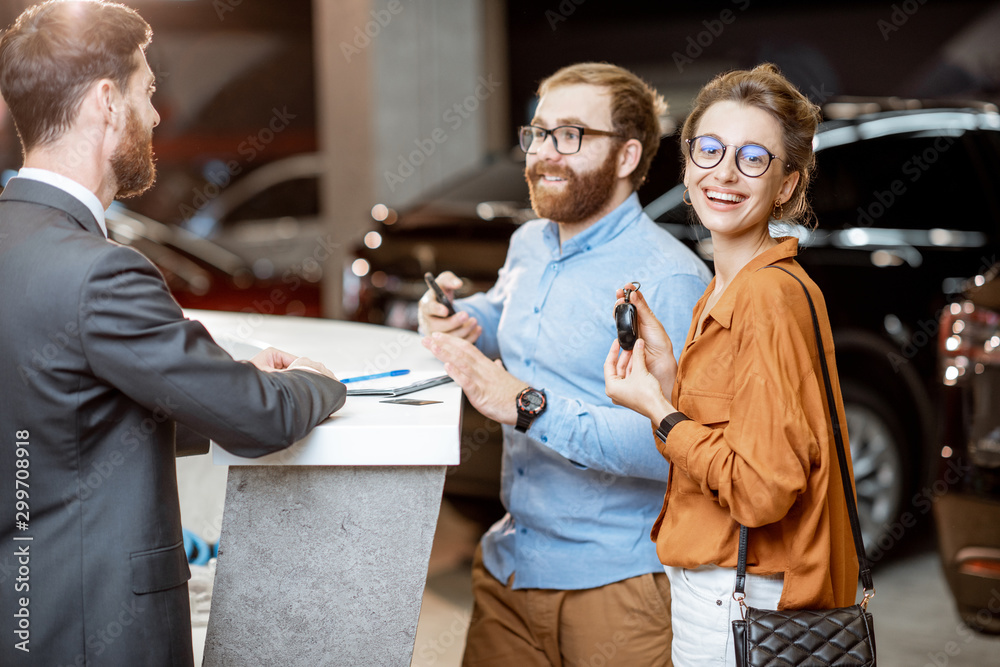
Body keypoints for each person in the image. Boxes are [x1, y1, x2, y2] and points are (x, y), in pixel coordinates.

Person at [0, 3, 346, 665]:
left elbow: (56, 413)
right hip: (95, 630)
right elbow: (259, 418)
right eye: (148, 91)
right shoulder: (103, 273)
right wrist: (316, 383)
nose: (157, 116)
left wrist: (215, 386)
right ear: (108, 100)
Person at [420, 62, 711, 665]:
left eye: (571, 135)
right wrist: (462, 313)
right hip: (509, 568)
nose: (544, 154)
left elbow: (672, 448)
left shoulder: (671, 278)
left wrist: (528, 406)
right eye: (538, 132)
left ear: (628, 155)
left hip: (618, 590)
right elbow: (510, 314)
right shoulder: (530, 241)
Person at [603, 64, 860, 666]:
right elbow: (736, 433)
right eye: (710, 149)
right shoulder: (724, 289)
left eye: (752, 158)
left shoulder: (766, 296)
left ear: (788, 185)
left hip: (744, 602)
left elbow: (763, 492)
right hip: (723, 591)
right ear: (688, 161)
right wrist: (669, 376)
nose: (723, 171)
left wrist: (660, 414)